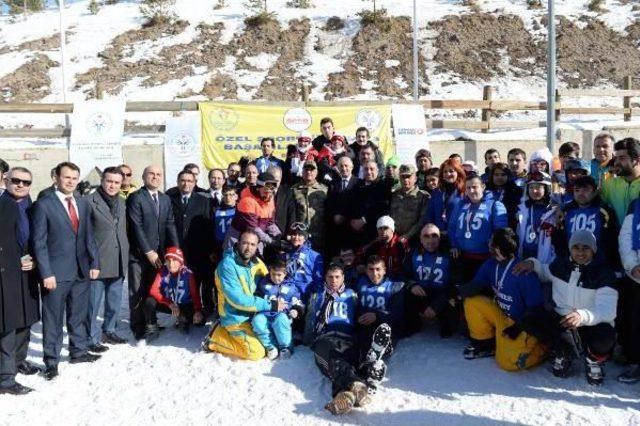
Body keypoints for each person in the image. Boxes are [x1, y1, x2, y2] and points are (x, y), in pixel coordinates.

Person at [514, 230, 618, 385]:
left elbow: (607, 311)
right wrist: (532, 264)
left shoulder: (604, 274)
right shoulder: (560, 265)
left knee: (606, 335)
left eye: (586, 248)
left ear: (593, 250)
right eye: (576, 247)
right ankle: (564, 351)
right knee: (530, 319)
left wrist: (581, 316)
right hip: (563, 321)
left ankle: (593, 359)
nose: (580, 252)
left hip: (590, 323)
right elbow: (544, 271)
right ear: (570, 248)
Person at [31, 162, 101, 380]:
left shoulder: (82, 203)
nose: (70, 181)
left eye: (74, 178)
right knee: (52, 319)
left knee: (78, 314)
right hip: (56, 274)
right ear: (56, 178)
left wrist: (95, 263)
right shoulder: (44, 204)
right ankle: (51, 361)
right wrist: (46, 273)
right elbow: (39, 242)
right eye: (66, 177)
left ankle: (78, 351)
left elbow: (89, 236)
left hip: (81, 271)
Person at [306, 263, 392, 415]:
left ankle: (350, 391)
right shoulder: (317, 295)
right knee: (334, 359)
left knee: (344, 361)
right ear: (325, 278)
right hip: (325, 337)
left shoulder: (351, 294)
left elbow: (361, 313)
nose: (333, 280)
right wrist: (308, 338)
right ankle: (358, 384)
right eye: (330, 277)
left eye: (337, 277)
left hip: (347, 337)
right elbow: (310, 317)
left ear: (343, 278)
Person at [458, 228, 546, 371]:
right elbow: (474, 286)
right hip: (502, 315)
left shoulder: (523, 272)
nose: (488, 243)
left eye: (491, 241)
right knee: (472, 302)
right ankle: (485, 345)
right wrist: (454, 292)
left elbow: (536, 309)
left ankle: (542, 350)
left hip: (521, 324)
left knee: (507, 363)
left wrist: (518, 327)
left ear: (497, 247)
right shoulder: (491, 264)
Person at [203, 230, 284, 360]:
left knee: (274, 341)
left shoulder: (257, 263)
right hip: (235, 317)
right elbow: (237, 300)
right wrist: (270, 304)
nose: (248, 248)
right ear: (238, 243)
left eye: (253, 244)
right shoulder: (227, 266)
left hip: (254, 315)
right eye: (245, 243)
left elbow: (270, 281)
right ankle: (214, 338)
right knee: (256, 352)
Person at [126, 165, 178, 340]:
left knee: (152, 290)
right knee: (137, 291)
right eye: (151, 174)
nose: (155, 177)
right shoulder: (135, 198)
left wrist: (175, 250)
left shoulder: (165, 199)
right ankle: (138, 326)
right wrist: (148, 251)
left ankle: (151, 321)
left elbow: (170, 224)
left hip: (160, 255)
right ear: (143, 177)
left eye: (158, 174)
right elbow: (136, 227)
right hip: (140, 255)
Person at [0, 167, 40, 395]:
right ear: (6, 180)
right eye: (16, 180)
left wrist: (34, 260)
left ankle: (19, 361)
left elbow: (34, 238)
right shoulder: (2, 203)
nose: (21, 185)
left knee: (27, 318)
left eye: (26, 182)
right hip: (5, 274)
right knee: (7, 324)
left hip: (28, 271)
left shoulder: (29, 204)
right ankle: (5, 378)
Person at [86, 167, 129, 349]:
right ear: (102, 180)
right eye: (109, 181)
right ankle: (90, 337)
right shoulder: (88, 202)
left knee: (114, 301)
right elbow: (85, 235)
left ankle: (109, 330)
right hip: (98, 262)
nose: (112, 185)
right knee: (93, 304)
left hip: (118, 260)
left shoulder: (122, 202)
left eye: (116, 182)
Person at [170, 170, 214, 318]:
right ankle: (187, 313)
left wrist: (210, 250)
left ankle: (207, 311)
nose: (186, 183)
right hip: (179, 251)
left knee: (204, 283)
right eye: (183, 180)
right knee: (184, 283)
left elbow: (209, 227)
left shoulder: (203, 201)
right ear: (177, 182)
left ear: (195, 183)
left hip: (200, 251)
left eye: (189, 181)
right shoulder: (170, 200)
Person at [448, 175, 508, 282]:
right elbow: (452, 226)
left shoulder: (495, 204)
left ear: (483, 187)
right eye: (468, 188)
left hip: (486, 259)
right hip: (464, 258)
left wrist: (495, 248)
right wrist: (454, 245)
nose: (471, 191)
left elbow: (500, 231)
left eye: (475, 187)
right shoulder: (460, 204)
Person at [404, 224, 459, 337]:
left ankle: (442, 320)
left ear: (440, 237)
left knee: (449, 328)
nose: (431, 240)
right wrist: (412, 285)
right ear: (420, 238)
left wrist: (437, 305)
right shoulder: (413, 253)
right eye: (426, 236)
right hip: (422, 292)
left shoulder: (450, 253)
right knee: (405, 293)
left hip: (443, 294)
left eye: (434, 236)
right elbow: (403, 274)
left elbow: (457, 284)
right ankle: (414, 323)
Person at [551, 175, 619, 267]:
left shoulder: (604, 212)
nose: (581, 193)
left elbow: (610, 241)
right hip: (571, 262)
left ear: (595, 192)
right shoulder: (566, 212)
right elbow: (559, 238)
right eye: (577, 190)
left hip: (598, 264)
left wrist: (602, 261)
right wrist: (565, 258)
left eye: (586, 190)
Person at [355, 255, 404, 374]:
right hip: (363, 325)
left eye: (378, 269)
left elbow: (398, 315)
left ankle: (381, 352)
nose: (374, 273)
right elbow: (353, 305)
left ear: (384, 270)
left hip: (384, 325)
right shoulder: (359, 282)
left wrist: (377, 316)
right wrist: (358, 317)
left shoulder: (394, 286)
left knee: (377, 337)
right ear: (366, 270)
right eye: (371, 269)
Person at [144, 247, 203, 341]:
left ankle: (182, 320)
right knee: (149, 301)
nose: (171, 264)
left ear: (181, 262)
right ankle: (152, 327)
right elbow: (153, 291)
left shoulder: (188, 274)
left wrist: (197, 311)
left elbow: (195, 294)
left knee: (189, 327)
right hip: (169, 304)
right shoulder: (162, 271)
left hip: (183, 305)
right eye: (168, 260)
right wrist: (169, 303)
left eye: (175, 260)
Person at [252, 260, 304, 360]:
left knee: (281, 320)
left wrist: (296, 310)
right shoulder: (263, 284)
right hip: (265, 313)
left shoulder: (291, 287)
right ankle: (271, 346)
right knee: (257, 321)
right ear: (269, 272)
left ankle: (285, 347)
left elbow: (297, 301)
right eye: (273, 274)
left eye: (279, 275)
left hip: (282, 313)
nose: (276, 277)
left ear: (285, 274)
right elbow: (256, 298)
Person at [224, 172, 280, 253]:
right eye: (265, 192)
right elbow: (253, 229)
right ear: (258, 188)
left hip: (256, 240)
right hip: (238, 240)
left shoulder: (269, 198)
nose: (268, 195)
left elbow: (270, 223)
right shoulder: (247, 200)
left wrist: (279, 236)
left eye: (270, 192)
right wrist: (272, 242)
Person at [617, 198, 640, 384]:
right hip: (637, 275)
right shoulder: (636, 204)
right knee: (634, 322)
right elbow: (625, 236)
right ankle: (635, 363)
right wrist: (632, 265)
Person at [348, 160, 392, 247]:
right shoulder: (357, 186)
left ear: (377, 171)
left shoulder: (383, 186)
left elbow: (383, 207)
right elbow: (351, 204)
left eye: (372, 169)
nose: (369, 172)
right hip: (356, 233)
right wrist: (353, 220)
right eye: (366, 169)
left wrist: (364, 220)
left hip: (375, 233)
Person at [288, 161, 328, 252]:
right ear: (302, 172)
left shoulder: (324, 190)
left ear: (316, 172)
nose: (308, 172)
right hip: (300, 236)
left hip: (319, 236)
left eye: (312, 170)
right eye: (306, 169)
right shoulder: (294, 189)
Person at [601, 137, 640, 226]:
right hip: (618, 239)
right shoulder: (610, 184)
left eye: (622, 158)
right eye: (616, 158)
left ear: (637, 160)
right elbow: (590, 201)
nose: (616, 162)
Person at [515, 171, 553, 260]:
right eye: (531, 187)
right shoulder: (523, 209)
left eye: (538, 187)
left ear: (547, 189)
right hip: (524, 255)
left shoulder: (553, 212)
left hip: (544, 258)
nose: (534, 191)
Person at [282, 222, 324, 302]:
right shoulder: (285, 255)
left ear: (305, 237)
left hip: (305, 294)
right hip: (288, 294)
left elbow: (318, 279)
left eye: (300, 235)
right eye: (294, 234)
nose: (296, 237)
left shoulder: (315, 256)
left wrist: (313, 296)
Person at [326, 156, 359, 257]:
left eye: (346, 166)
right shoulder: (332, 185)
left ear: (352, 167)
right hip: (337, 230)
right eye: (341, 166)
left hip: (353, 230)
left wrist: (345, 215)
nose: (344, 168)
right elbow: (329, 204)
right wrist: (334, 215)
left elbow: (359, 204)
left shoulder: (359, 183)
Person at [389, 164, 429, 242]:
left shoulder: (423, 196)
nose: (405, 180)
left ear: (415, 178)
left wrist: (408, 235)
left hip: (414, 239)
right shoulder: (394, 195)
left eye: (408, 176)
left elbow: (422, 220)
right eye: (403, 177)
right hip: (394, 239)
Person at [423, 159, 465, 233]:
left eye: (451, 171)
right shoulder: (437, 192)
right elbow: (430, 215)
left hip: (458, 234)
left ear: (458, 172)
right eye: (445, 171)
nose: (448, 174)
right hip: (439, 235)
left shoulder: (464, 191)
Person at [485, 162, 523, 229]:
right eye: (496, 175)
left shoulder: (516, 191)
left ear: (508, 176)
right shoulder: (485, 191)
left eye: (503, 175)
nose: (499, 177)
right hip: (488, 227)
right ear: (492, 176)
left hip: (509, 228)